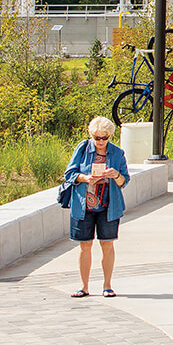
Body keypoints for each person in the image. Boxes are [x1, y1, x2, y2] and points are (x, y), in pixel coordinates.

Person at [64, 116, 130, 298]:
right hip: (83, 205)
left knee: (107, 244)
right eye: (97, 138)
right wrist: (85, 178)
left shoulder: (117, 153)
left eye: (105, 138)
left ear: (110, 136)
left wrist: (115, 174)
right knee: (85, 245)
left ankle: (107, 285)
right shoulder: (83, 148)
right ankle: (83, 286)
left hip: (109, 206)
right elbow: (69, 173)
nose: (101, 142)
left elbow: (124, 181)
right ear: (91, 135)